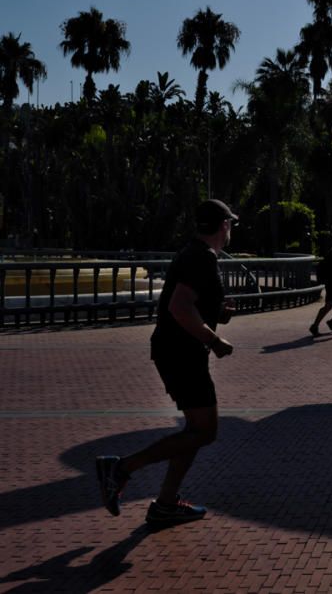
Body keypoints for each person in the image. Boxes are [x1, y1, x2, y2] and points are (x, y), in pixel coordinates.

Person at [96, 199, 238, 526]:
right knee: (205, 430)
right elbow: (179, 307)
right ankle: (121, 469)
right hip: (181, 353)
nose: (230, 228)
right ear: (223, 225)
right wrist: (213, 340)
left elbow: (189, 305)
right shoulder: (200, 258)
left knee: (196, 430)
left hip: (179, 351)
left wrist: (217, 315)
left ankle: (165, 504)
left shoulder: (195, 254)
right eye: (230, 223)